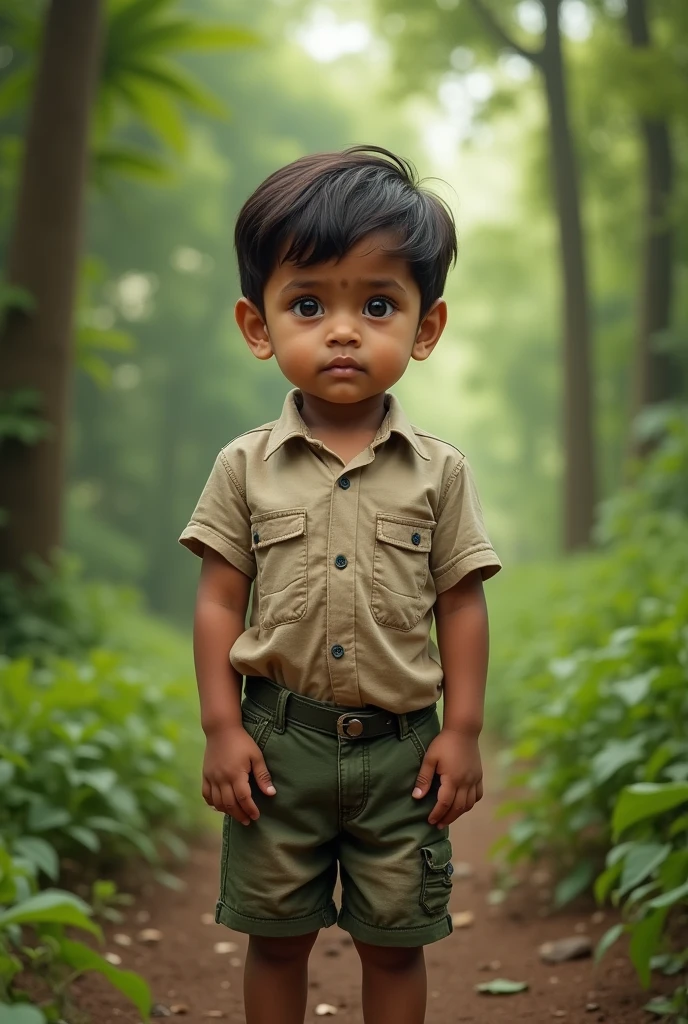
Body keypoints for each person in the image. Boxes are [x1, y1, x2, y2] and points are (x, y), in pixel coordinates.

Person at [179, 145, 501, 1024]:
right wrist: (220, 727)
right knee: (274, 937)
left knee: (395, 943)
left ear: (425, 329)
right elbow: (218, 599)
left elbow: (461, 600)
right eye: (310, 303)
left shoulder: (439, 474)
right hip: (278, 747)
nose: (344, 329)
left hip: (402, 752)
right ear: (259, 325)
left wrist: (463, 730)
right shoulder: (244, 468)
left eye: (379, 304)